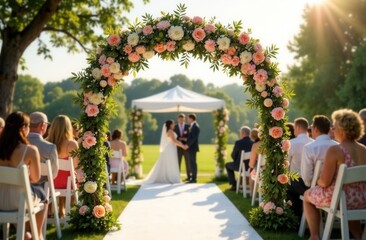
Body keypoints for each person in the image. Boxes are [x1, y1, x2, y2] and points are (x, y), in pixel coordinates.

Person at [304, 109, 366, 240]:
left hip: (340, 199)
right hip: (361, 199)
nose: (332, 129)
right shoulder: (364, 149)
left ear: (342, 130)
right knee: (347, 199)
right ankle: (359, 236)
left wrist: (318, 182)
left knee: (307, 196)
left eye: (335, 126)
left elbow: (325, 182)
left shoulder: (335, 150)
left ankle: (314, 236)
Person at [0, 111, 48, 240]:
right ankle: (37, 235)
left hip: (0, 200)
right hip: (18, 202)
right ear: (23, 128)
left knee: (26, 195)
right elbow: (36, 178)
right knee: (42, 194)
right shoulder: (30, 150)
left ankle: (26, 232)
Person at [287, 115, 338, 218]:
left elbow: (306, 178)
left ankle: (296, 218)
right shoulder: (338, 146)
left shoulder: (310, 147)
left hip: (315, 188)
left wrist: (312, 186)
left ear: (315, 129)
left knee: (290, 187)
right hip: (336, 188)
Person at [47, 115, 78, 218]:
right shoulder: (72, 144)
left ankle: (52, 211)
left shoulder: (46, 142)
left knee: (55, 174)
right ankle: (62, 209)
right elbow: (76, 165)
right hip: (66, 183)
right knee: (70, 175)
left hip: (49, 182)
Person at [28, 112, 59, 181]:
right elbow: (53, 174)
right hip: (40, 189)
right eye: (47, 124)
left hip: (19, 187)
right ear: (42, 125)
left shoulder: (18, 144)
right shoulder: (50, 147)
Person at [226, 126, 253, 191]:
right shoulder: (253, 143)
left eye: (240, 133)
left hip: (240, 166)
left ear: (243, 133)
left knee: (227, 165)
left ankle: (234, 185)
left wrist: (236, 160)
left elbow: (233, 155)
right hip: (251, 167)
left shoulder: (238, 142)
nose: (240, 134)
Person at [173, 113, 190, 181]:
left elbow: (190, 136)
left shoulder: (188, 127)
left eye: (182, 119)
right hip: (178, 148)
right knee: (178, 163)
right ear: (178, 120)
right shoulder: (175, 127)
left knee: (187, 162)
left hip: (186, 147)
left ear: (184, 119)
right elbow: (173, 137)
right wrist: (178, 140)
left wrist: (185, 140)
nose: (181, 121)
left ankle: (189, 177)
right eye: (180, 119)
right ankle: (177, 177)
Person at [186, 114, 200, 183]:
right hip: (191, 147)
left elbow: (194, 139)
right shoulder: (192, 126)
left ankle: (194, 179)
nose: (188, 120)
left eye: (188, 118)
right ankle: (192, 178)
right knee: (191, 163)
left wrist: (188, 145)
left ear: (191, 119)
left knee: (193, 163)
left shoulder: (195, 127)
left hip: (192, 148)